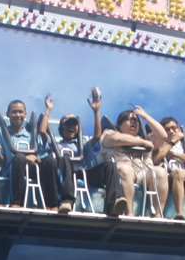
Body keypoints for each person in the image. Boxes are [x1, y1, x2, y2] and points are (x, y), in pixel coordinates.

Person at [41, 88, 124, 216]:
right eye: (67, 124)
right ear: (61, 128)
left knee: (110, 165)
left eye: (74, 125)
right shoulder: (56, 144)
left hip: (81, 173)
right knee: (65, 159)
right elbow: (42, 132)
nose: (71, 127)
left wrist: (96, 111)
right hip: (64, 174)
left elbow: (97, 136)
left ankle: (113, 203)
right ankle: (66, 201)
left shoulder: (81, 146)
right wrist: (48, 110)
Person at [99, 107, 168, 217]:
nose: (133, 122)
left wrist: (145, 116)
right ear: (119, 125)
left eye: (135, 120)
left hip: (143, 172)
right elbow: (117, 139)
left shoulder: (146, 138)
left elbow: (163, 136)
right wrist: (142, 143)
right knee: (125, 170)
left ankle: (158, 215)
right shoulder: (109, 134)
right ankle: (129, 213)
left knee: (160, 172)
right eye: (128, 119)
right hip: (122, 171)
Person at [0, 99, 60, 209]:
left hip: (32, 168)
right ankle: (16, 202)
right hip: (13, 168)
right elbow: (2, 157)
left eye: (20, 112)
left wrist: (34, 158)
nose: (18, 115)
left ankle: (52, 204)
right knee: (19, 158)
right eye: (14, 112)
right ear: (8, 114)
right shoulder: (0, 132)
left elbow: (40, 157)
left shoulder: (31, 135)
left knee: (50, 161)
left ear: (25, 114)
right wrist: (24, 158)